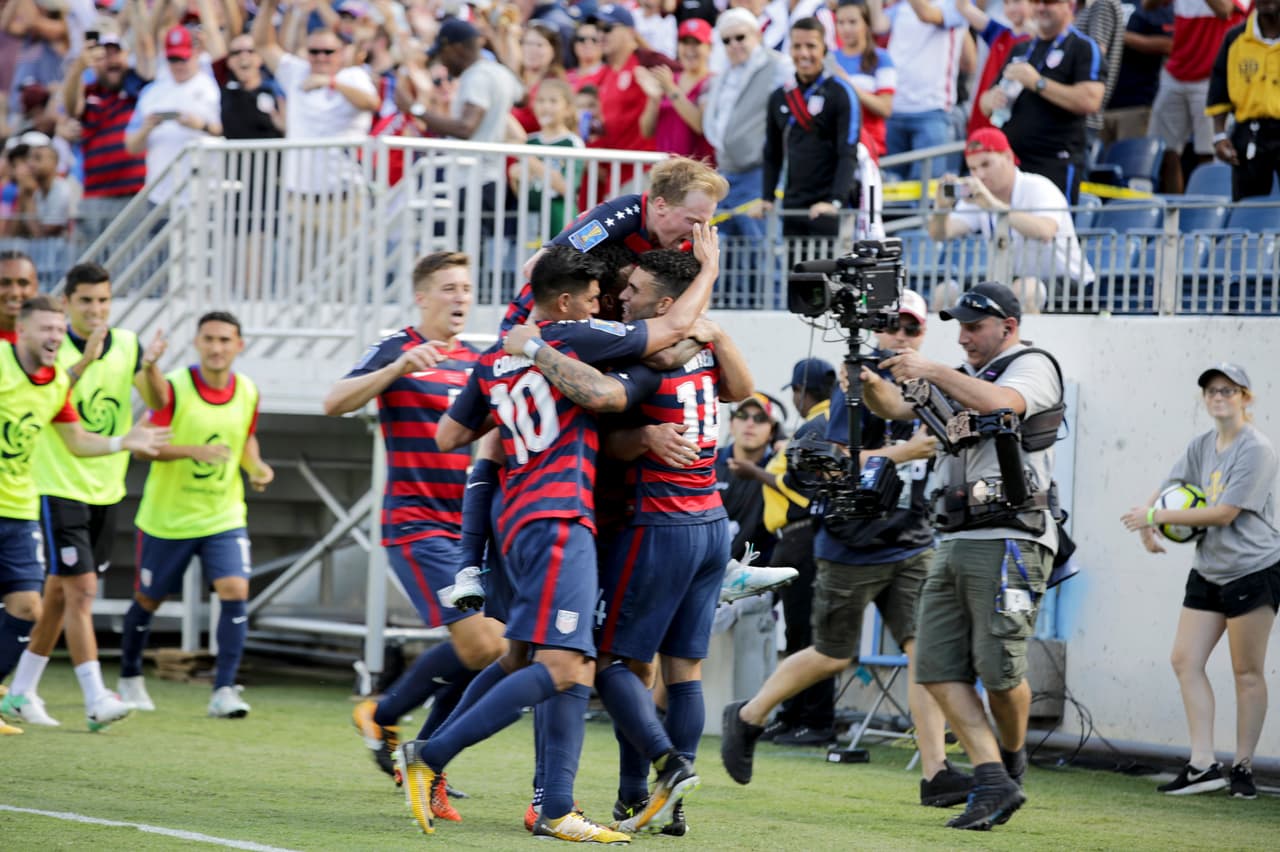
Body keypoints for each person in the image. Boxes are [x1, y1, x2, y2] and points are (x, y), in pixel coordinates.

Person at [407, 228, 718, 842]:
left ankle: (557, 802)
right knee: (571, 666)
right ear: (569, 303)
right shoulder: (569, 336)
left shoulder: (495, 354)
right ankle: (433, 756)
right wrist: (706, 272)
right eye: (598, 294)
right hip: (560, 520)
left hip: (516, 519)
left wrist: (516, 412)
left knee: (526, 657)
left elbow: (448, 438)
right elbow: (629, 366)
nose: (606, 303)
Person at [502, 248, 754, 836]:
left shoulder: (653, 357)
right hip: (711, 524)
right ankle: (658, 803)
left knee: (612, 661)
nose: (623, 298)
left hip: (659, 525)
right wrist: (714, 333)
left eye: (636, 289)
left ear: (666, 304)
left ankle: (656, 780)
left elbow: (609, 426)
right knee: (683, 670)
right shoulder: (700, 344)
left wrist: (639, 436)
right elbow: (741, 389)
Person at [722, 289, 975, 807]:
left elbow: (937, 428)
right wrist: (900, 452)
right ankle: (747, 715)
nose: (902, 336)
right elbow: (834, 461)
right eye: (894, 326)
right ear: (879, 330)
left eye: (912, 328)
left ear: (923, 333)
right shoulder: (850, 386)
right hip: (851, 541)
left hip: (910, 537)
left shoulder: (929, 379)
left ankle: (936, 773)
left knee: (924, 654)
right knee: (833, 654)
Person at [860, 281, 1063, 830]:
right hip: (953, 536)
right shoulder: (966, 377)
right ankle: (992, 779)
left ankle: (1012, 759)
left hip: (1010, 536)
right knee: (934, 667)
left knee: (999, 673)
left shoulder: (1031, 364)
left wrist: (929, 368)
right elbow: (900, 406)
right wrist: (869, 380)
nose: (965, 337)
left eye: (974, 327)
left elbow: (1005, 405)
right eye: (961, 327)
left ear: (1009, 327)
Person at [324, 252, 506, 815]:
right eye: (448, 288)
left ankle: (424, 761)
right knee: (481, 646)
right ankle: (384, 716)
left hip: (473, 532)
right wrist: (396, 370)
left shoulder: (477, 361)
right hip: (416, 525)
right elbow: (333, 402)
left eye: (467, 288)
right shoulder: (396, 348)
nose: (460, 297)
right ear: (423, 296)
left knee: (494, 652)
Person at [0, 264, 168, 732]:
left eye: (103, 301)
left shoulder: (121, 347)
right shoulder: (39, 353)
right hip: (54, 487)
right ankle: (96, 696)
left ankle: (19, 691)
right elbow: (47, 394)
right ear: (67, 302)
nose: (96, 310)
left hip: (104, 488)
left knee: (51, 599)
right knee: (81, 591)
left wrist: (150, 368)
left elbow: (155, 402)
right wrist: (86, 359)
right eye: (86, 302)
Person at [1121, 363, 1280, 801]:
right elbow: (1172, 483)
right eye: (1212, 390)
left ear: (1246, 397)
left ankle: (1243, 768)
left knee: (1246, 672)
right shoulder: (1202, 444)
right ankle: (1202, 764)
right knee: (1184, 660)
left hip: (1254, 567)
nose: (1218, 397)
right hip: (1209, 568)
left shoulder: (1257, 449)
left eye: (1228, 390)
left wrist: (1156, 517)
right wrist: (1147, 523)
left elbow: (1224, 513)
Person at [117, 311, 274, 719]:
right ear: (197, 343)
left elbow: (245, 439)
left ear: (240, 345)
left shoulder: (248, 391)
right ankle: (129, 676)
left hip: (223, 515)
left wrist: (257, 469)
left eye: (225, 340)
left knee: (236, 591)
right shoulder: (175, 388)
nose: (217, 347)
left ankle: (224, 690)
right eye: (209, 339)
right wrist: (193, 450)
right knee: (148, 600)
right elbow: (144, 445)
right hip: (167, 518)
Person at [721, 357, 837, 746]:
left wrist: (755, 473)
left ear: (804, 392)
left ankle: (816, 721)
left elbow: (803, 490)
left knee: (810, 636)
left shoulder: (818, 425)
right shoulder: (816, 424)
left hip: (804, 534)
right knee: (799, 632)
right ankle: (792, 715)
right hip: (793, 539)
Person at [928, 128, 1094, 312]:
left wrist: (994, 207)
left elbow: (1046, 231)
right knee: (945, 293)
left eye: (986, 164)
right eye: (973, 168)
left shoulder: (1037, 186)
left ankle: (1027, 342)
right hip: (1011, 279)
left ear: (1007, 157)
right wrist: (942, 208)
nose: (979, 175)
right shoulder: (979, 194)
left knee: (1025, 289)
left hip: (1069, 283)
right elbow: (941, 234)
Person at [978, 0, 1104, 203]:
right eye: (1036, 2)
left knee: (1050, 230)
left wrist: (1038, 83)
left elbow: (1090, 100)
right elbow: (984, 102)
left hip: (1054, 162)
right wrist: (991, 100)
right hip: (1012, 162)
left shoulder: (1083, 47)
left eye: (1049, 2)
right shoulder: (1022, 49)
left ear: (1069, 5)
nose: (1041, 8)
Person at [253, 1, 379, 201]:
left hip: (343, 194)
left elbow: (371, 102)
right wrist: (268, 7)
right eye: (314, 51)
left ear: (340, 52)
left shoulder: (352, 76)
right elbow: (262, 44)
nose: (321, 57)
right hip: (298, 193)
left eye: (328, 52)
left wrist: (329, 82)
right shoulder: (297, 72)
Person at [762, 17, 858, 238]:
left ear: (824, 48)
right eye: (797, 46)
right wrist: (767, 197)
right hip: (793, 205)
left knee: (828, 271)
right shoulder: (780, 96)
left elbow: (848, 151)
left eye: (811, 46)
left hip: (829, 207)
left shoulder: (841, 92)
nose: (803, 54)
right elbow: (772, 152)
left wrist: (835, 201)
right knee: (795, 272)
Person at [701, 8, 790, 241]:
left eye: (740, 37)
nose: (734, 44)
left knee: (762, 245)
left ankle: (773, 281)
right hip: (727, 171)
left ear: (757, 35)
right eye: (726, 40)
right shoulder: (724, 73)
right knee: (725, 249)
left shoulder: (778, 66)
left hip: (758, 172)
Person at [62, 29, 150, 249]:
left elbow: (149, 49)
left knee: (131, 271)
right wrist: (79, 68)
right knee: (89, 268)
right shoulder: (90, 92)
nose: (111, 60)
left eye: (116, 53)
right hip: (95, 197)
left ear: (126, 56)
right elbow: (72, 106)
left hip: (133, 197)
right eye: (104, 56)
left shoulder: (140, 89)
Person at [1149, 0, 1247, 194]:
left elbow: (1225, 10)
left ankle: (1206, 213)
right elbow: (1148, 5)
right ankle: (1174, 216)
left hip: (1210, 77)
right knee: (1165, 153)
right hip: (1175, 73)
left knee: (1208, 154)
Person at [124, 26, 222, 205]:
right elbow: (131, 146)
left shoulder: (213, 85)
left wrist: (200, 125)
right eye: (173, 59)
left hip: (204, 195)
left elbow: (229, 131)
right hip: (159, 196)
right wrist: (146, 128)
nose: (179, 65)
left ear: (196, 53)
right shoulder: (152, 91)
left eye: (183, 58)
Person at [881, 0, 967, 180]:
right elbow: (878, 24)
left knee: (925, 195)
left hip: (932, 111)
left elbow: (926, 15)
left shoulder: (957, 4)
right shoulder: (902, 7)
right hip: (894, 110)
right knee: (893, 192)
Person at [1207, 0, 1280, 201]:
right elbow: (1219, 90)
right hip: (1250, 132)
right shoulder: (1235, 38)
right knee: (1246, 207)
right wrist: (1219, 136)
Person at [508, 78, 583, 237]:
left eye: (553, 101)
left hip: (559, 220)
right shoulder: (530, 141)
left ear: (568, 108)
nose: (545, 106)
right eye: (541, 101)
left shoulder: (571, 143)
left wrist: (528, 158)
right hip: (531, 221)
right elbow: (520, 192)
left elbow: (567, 187)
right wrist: (514, 176)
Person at [636, 18, 715, 163]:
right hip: (666, 171)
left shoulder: (713, 82)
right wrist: (654, 100)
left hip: (696, 173)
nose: (689, 49)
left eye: (696, 43)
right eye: (685, 42)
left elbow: (700, 125)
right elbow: (646, 131)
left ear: (709, 48)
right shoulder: (670, 79)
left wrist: (671, 88)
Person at [954, 0, 1035, 137]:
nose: (1011, 8)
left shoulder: (1038, 43)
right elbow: (963, 7)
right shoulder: (1000, 33)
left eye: (1017, 2)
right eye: (1007, 3)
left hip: (1014, 128)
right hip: (985, 117)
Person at [830, 0, 895, 160]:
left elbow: (885, 108)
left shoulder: (882, 58)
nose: (845, 28)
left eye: (852, 22)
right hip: (834, 148)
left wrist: (848, 85)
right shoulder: (829, 59)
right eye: (840, 22)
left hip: (869, 150)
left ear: (866, 24)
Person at [1102, 1, 1174, 145]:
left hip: (1135, 104)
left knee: (1130, 164)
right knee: (1096, 165)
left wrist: (1122, 36)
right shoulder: (1103, 4)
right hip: (1099, 106)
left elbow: (1169, 45)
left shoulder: (1150, 5)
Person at [0, 250, 38, 343]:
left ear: (35, 288)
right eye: (5, 283)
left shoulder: (53, 340)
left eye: (23, 283)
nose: (15, 293)